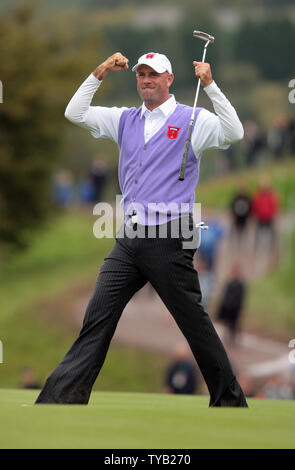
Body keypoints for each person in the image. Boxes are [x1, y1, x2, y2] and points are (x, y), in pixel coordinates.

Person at [35, 52, 247, 407]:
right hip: (130, 237)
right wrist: (99, 71)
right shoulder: (124, 120)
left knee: (194, 324)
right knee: (98, 314)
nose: (146, 80)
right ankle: (63, 396)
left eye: (154, 74)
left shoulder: (193, 119)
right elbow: (75, 112)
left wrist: (210, 85)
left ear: (169, 79)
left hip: (171, 236)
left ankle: (229, 400)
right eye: (141, 74)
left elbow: (235, 132)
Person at [216, 264, 246, 345]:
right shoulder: (229, 283)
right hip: (227, 307)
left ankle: (234, 338)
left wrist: (239, 308)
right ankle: (227, 337)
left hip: (235, 308)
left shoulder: (240, 284)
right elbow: (225, 295)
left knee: (234, 324)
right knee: (226, 323)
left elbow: (241, 297)